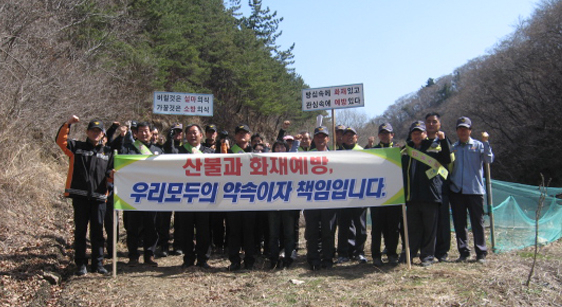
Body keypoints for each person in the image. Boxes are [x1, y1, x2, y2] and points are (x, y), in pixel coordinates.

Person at [56, 115, 113, 275]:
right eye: (92, 131)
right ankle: (81, 264)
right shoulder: (76, 147)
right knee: (80, 232)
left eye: (98, 131)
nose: (95, 134)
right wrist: (68, 124)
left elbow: (110, 173)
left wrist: (113, 174)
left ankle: (98, 264)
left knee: (97, 233)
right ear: (87, 132)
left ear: (103, 134)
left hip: (100, 198)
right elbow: (61, 142)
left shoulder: (108, 152)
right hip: (80, 197)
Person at [402, 120, 451, 267]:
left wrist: (443, 140)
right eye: (414, 133)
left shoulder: (433, 146)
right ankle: (409, 255)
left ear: (425, 134)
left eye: (420, 132)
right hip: (412, 196)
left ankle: (428, 256)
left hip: (430, 195)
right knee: (413, 229)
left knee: (430, 229)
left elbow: (446, 158)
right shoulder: (406, 150)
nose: (417, 136)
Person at [115, 121, 163, 267]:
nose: (144, 133)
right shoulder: (128, 149)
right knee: (133, 227)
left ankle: (149, 254)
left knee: (151, 226)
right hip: (133, 194)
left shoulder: (158, 150)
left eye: (146, 131)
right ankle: (133, 256)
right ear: (135, 133)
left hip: (152, 194)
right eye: (140, 131)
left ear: (151, 132)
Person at [449, 116, 494, 264]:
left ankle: (481, 253)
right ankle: (463, 252)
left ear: (470, 130)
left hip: (475, 190)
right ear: (457, 131)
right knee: (459, 223)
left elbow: (489, 159)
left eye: (465, 128)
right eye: (460, 128)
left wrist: (486, 142)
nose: (463, 131)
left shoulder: (479, 145)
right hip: (457, 191)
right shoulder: (453, 148)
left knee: (477, 222)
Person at [177, 124, 215, 269]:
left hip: (204, 197)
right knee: (185, 230)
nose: (193, 135)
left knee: (203, 230)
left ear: (201, 135)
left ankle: (203, 258)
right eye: (190, 133)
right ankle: (188, 258)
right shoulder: (179, 152)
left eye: (195, 133)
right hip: (184, 197)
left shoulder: (209, 152)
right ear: (185, 136)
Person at [304, 126, 337, 270]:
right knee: (312, 232)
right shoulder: (305, 156)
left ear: (328, 139)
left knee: (327, 231)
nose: (320, 139)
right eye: (318, 136)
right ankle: (313, 259)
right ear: (314, 139)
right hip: (310, 200)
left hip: (329, 200)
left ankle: (328, 258)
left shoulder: (336, 156)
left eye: (323, 136)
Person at [226, 124, 258, 271]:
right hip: (232, 197)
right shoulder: (228, 152)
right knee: (233, 232)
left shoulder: (257, 153)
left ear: (249, 136)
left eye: (245, 133)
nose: (242, 136)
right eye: (239, 133)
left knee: (250, 232)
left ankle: (250, 260)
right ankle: (234, 260)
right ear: (235, 136)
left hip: (250, 197)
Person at [370, 123, 402, 267]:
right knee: (376, 229)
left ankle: (392, 253)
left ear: (392, 135)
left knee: (393, 228)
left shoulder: (399, 150)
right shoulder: (372, 151)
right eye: (382, 133)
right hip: (377, 196)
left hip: (395, 195)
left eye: (387, 133)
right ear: (378, 136)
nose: (384, 135)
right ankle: (376, 255)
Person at [336, 127, 368, 264]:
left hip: (360, 195)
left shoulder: (363, 152)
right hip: (342, 195)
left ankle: (359, 252)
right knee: (343, 226)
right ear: (341, 138)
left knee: (360, 227)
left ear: (357, 137)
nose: (349, 137)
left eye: (352, 135)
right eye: (346, 135)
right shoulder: (335, 153)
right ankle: (343, 253)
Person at [425, 112, 453, 262]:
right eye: (428, 121)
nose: (431, 124)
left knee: (443, 222)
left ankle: (442, 252)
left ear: (439, 124)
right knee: (429, 222)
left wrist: (442, 141)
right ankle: (429, 250)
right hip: (426, 189)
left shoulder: (444, 140)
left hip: (441, 188)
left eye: (434, 122)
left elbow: (448, 159)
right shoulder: (420, 142)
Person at [267, 140, 299, 270]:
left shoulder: (292, 162)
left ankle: (288, 259)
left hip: (288, 203)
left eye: (282, 147)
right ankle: (273, 259)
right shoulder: (267, 162)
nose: (280, 149)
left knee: (289, 233)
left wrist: (296, 142)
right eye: (277, 147)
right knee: (273, 234)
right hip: (272, 204)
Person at [159, 123, 185, 256]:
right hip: (167, 187)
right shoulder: (166, 147)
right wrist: (170, 140)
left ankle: (178, 245)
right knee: (164, 219)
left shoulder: (185, 148)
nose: (177, 134)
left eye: (180, 132)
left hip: (182, 187)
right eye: (175, 132)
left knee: (179, 220)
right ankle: (163, 246)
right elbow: (170, 152)